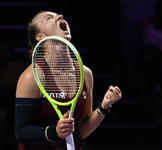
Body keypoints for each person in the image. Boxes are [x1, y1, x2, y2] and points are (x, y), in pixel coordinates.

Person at [15, 11, 122, 150]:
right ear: (41, 37)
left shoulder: (85, 73)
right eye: (49, 18)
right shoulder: (32, 76)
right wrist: (54, 132)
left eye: (58, 16)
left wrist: (104, 107)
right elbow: (21, 132)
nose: (60, 16)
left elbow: (82, 131)